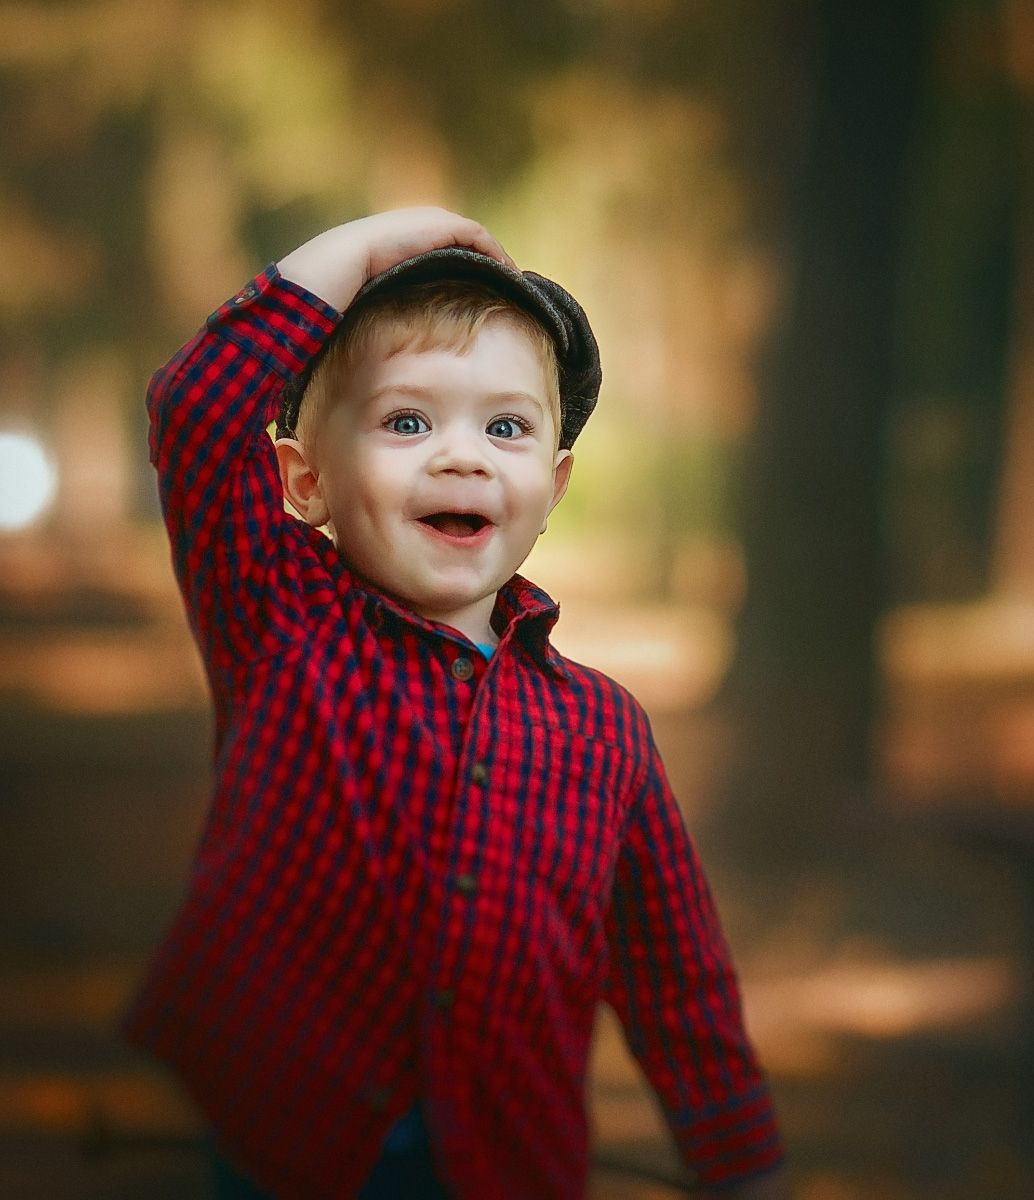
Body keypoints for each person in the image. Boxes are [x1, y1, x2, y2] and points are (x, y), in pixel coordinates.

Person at [123, 208, 787, 1199]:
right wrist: (367, 246)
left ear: (552, 486)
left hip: (505, 1160)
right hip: (290, 1144)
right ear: (305, 480)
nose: (462, 456)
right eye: (407, 421)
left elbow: (673, 969)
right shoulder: (281, 623)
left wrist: (741, 1162)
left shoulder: (603, 731)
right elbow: (196, 410)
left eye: (506, 427)